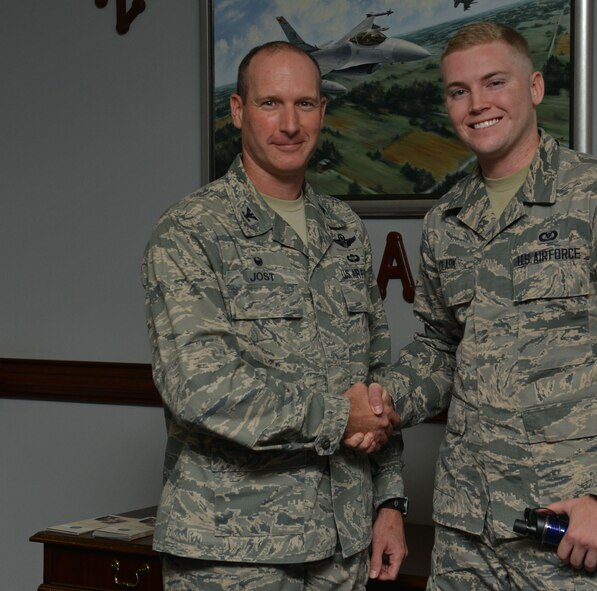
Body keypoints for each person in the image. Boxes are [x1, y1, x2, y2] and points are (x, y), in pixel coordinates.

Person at [370, 22, 597, 590]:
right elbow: (440, 349)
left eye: (494, 82)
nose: (477, 104)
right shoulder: (445, 223)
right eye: (458, 91)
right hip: (465, 535)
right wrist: (384, 403)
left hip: (571, 534)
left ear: (534, 87)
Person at [142, 41, 406, 590]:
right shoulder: (191, 231)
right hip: (234, 553)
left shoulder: (344, 229)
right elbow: (201, 389)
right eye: (271, 104)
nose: (290, 124)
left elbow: (376, 378)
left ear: (323, 112)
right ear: (238, 110)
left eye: (305, 104)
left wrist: (390, 501)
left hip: (344, 547)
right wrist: (338, 418)